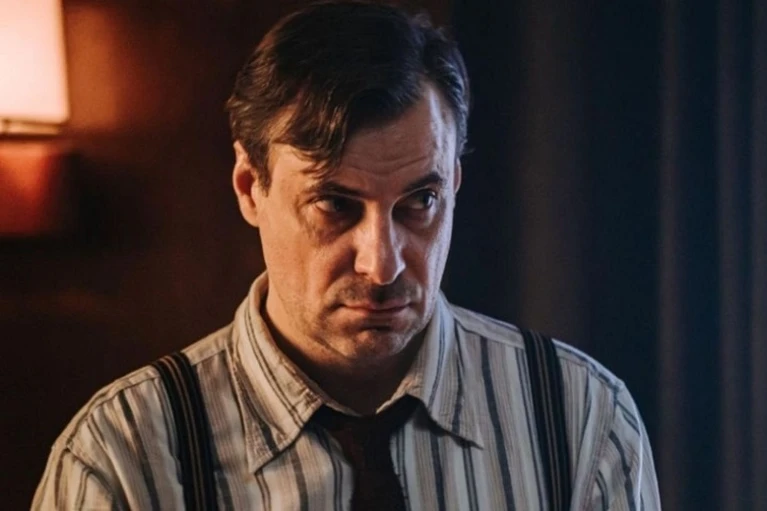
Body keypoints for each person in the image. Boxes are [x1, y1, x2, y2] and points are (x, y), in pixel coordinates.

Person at [33, 1, 661, 509]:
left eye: (420, 202)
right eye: (334, 204)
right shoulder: (122, 459)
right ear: (251, 188)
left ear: (454, 183)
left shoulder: (579, 421)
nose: (382, 265)